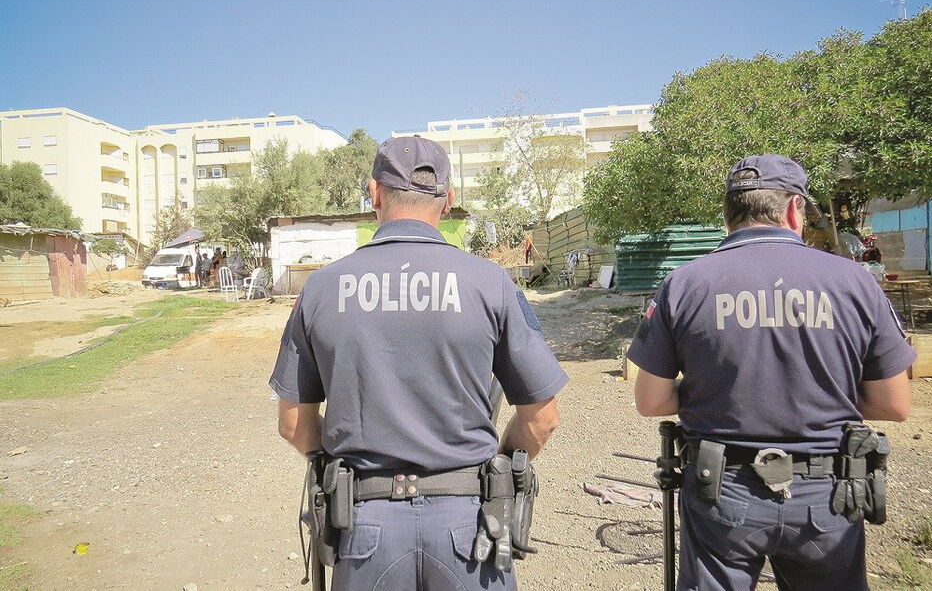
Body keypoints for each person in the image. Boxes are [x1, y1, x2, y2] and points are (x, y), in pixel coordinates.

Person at [270, 136, 566, 590]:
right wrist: (498, 465)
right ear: (447, 200)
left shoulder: (321, 288)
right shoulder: (490, 283)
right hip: (471, 530)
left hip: (364, 528)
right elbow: (542, 417)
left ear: (374, 194)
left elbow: (294, 424)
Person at [627, 154, 914, 590]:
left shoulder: (683, 283)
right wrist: (817, 394)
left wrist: (719, 391)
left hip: (721, 491)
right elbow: (894, 405)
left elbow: (651, 402)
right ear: (795, 208)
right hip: (827, 494)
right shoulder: (854, 282)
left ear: (729, 213)